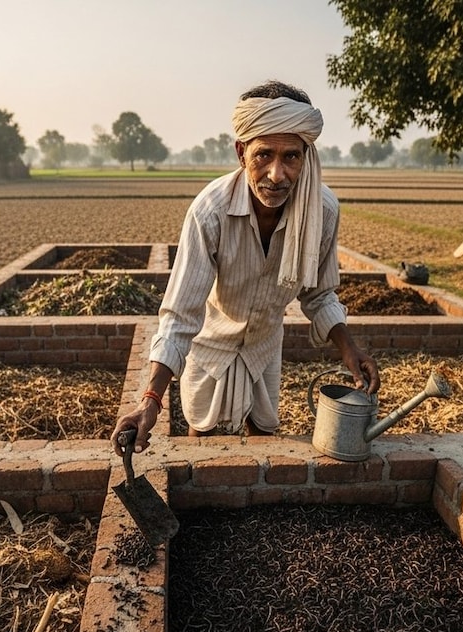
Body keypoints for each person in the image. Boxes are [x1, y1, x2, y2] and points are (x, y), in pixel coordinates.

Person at [112, 80, 379, 453]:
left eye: (291, 157)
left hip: (264, 344)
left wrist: (350, 349)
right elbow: (180, 315)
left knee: (264, 438)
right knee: (201, 439)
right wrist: (151, 400)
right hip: (212, 343)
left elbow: (319, 295)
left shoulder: (321, 211)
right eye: (263, 155)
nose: (277, 174)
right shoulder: (211, 212)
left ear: (306, 157)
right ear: (241, 152)